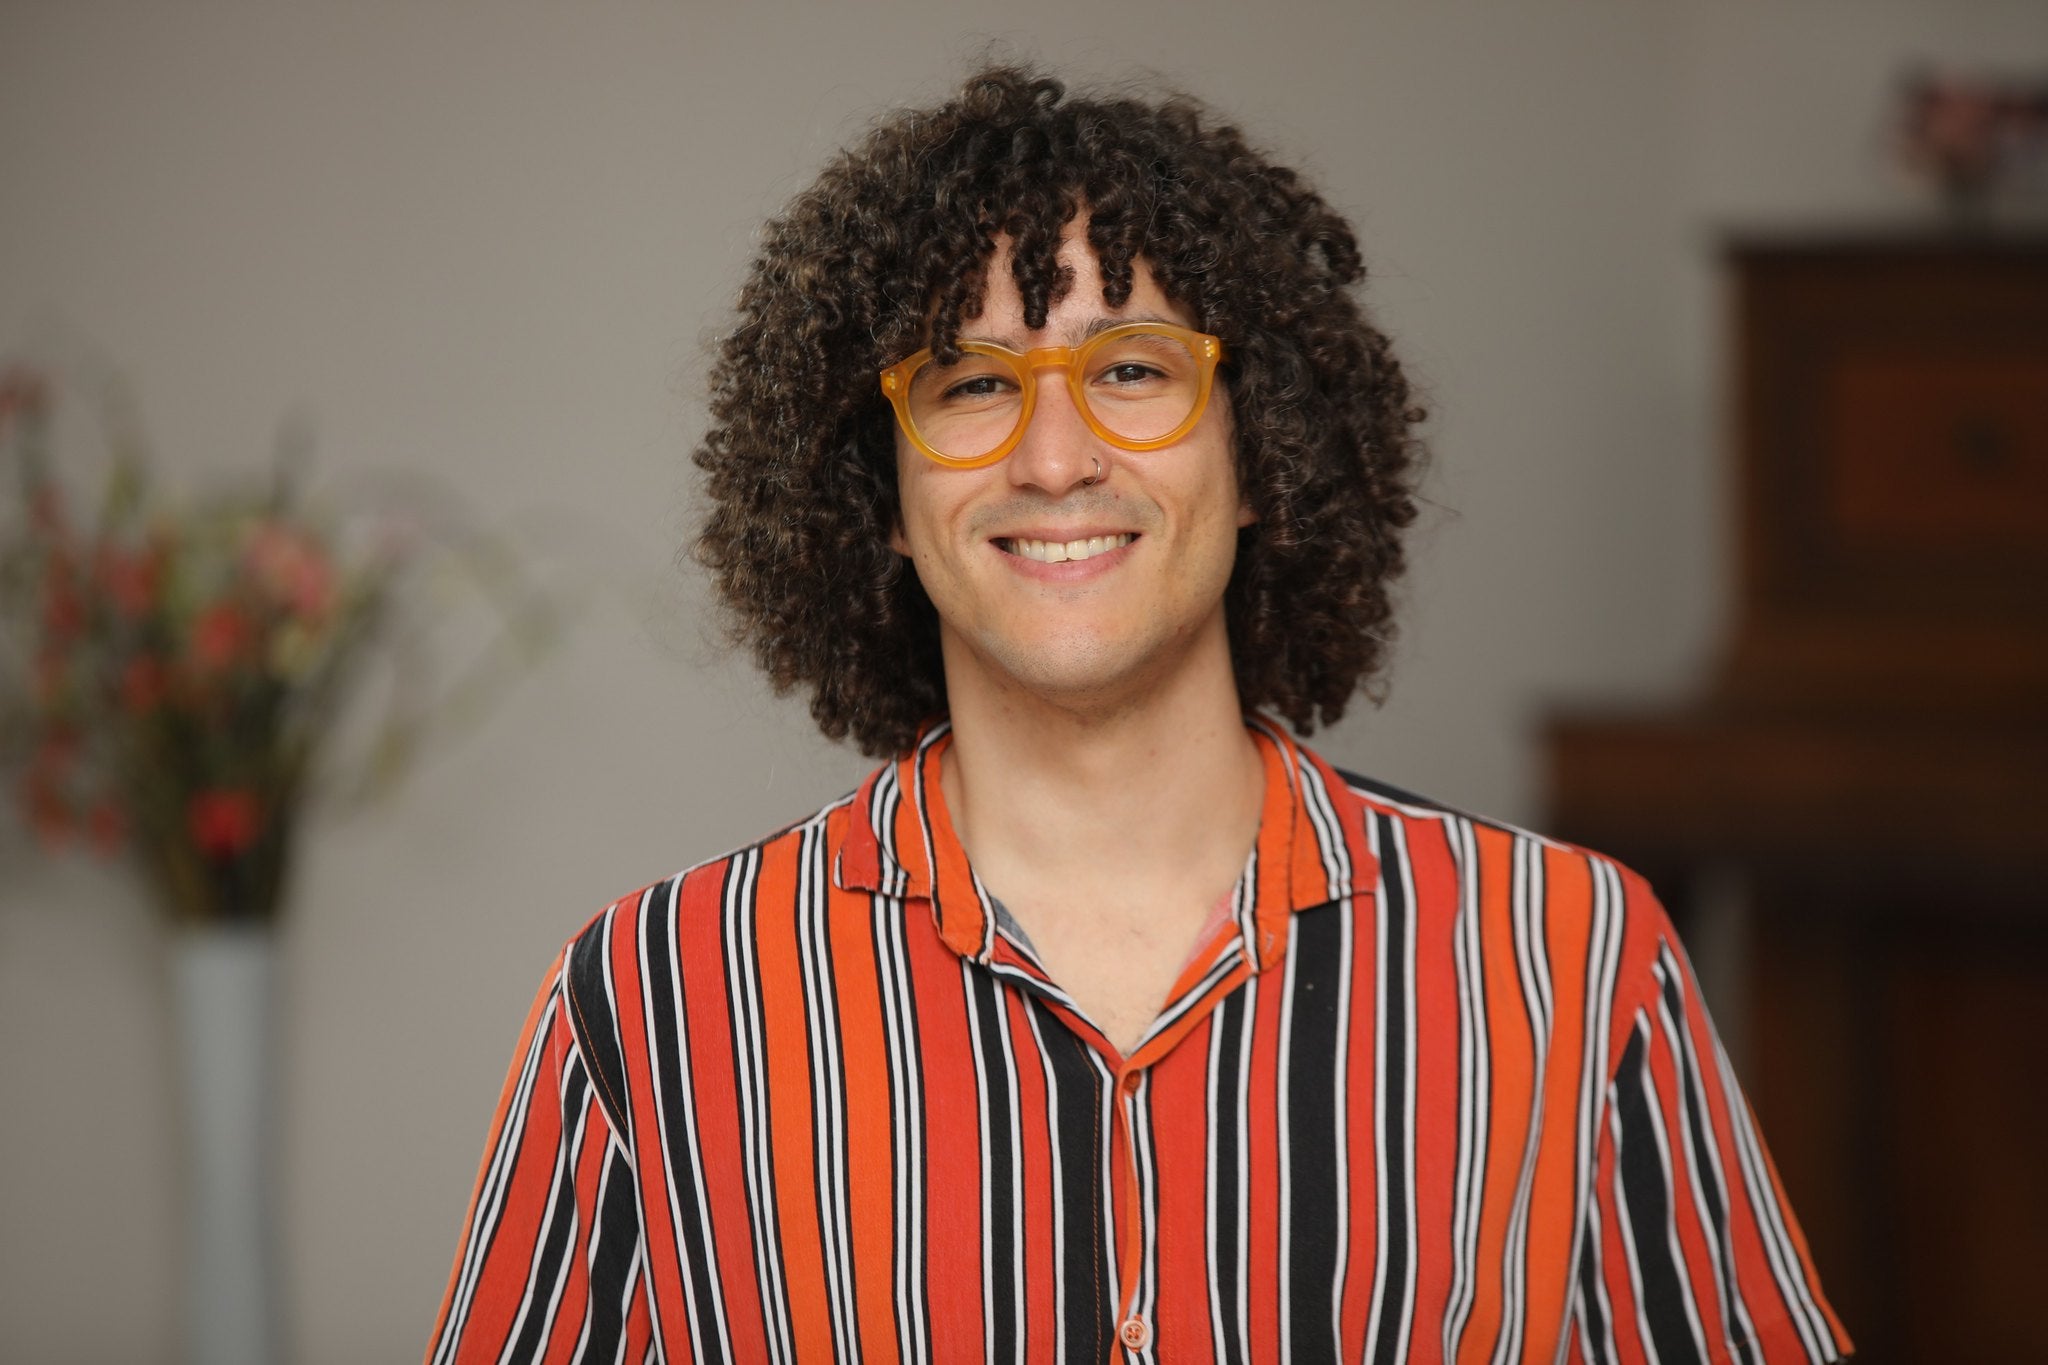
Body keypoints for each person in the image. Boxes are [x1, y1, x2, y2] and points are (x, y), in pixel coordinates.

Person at [427, 67, 1850, 1364]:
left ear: (1261, 454)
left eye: (1131, 370)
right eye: (972, 384)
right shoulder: (654, 1002)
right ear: (883, 501)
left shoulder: (1570, 958)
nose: (1055, 459)